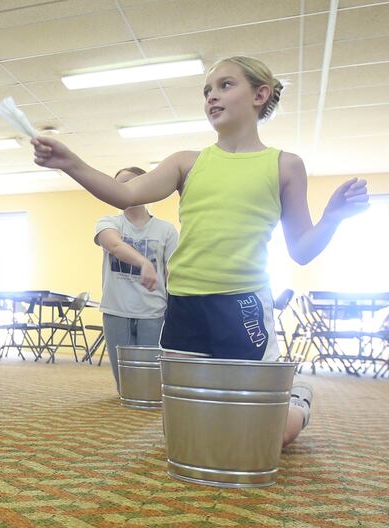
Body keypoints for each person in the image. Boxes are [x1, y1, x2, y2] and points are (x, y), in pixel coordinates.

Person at [32, 56, 369, 447]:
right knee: (187, 433)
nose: (212, 96)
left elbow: (302, 250)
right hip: (186, 305)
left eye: (225, 86)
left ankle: (296, 398)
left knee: (258, 438)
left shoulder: (285, 166)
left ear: (260, 94)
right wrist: (69, 163)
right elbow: (123, 193)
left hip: (241, 304)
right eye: (207, 90)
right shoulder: (186, 163)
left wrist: (333, 217)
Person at [94, 167, 178, 393]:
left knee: (149, 385)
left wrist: (176, 311)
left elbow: (173, 273)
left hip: (152, 311)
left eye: (129, 183)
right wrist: (144, 263)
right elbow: (114, 245)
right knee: (126, 387)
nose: (123, 190)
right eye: (118, 185)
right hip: (116, 310)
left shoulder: (166, 230)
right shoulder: (109, 222)